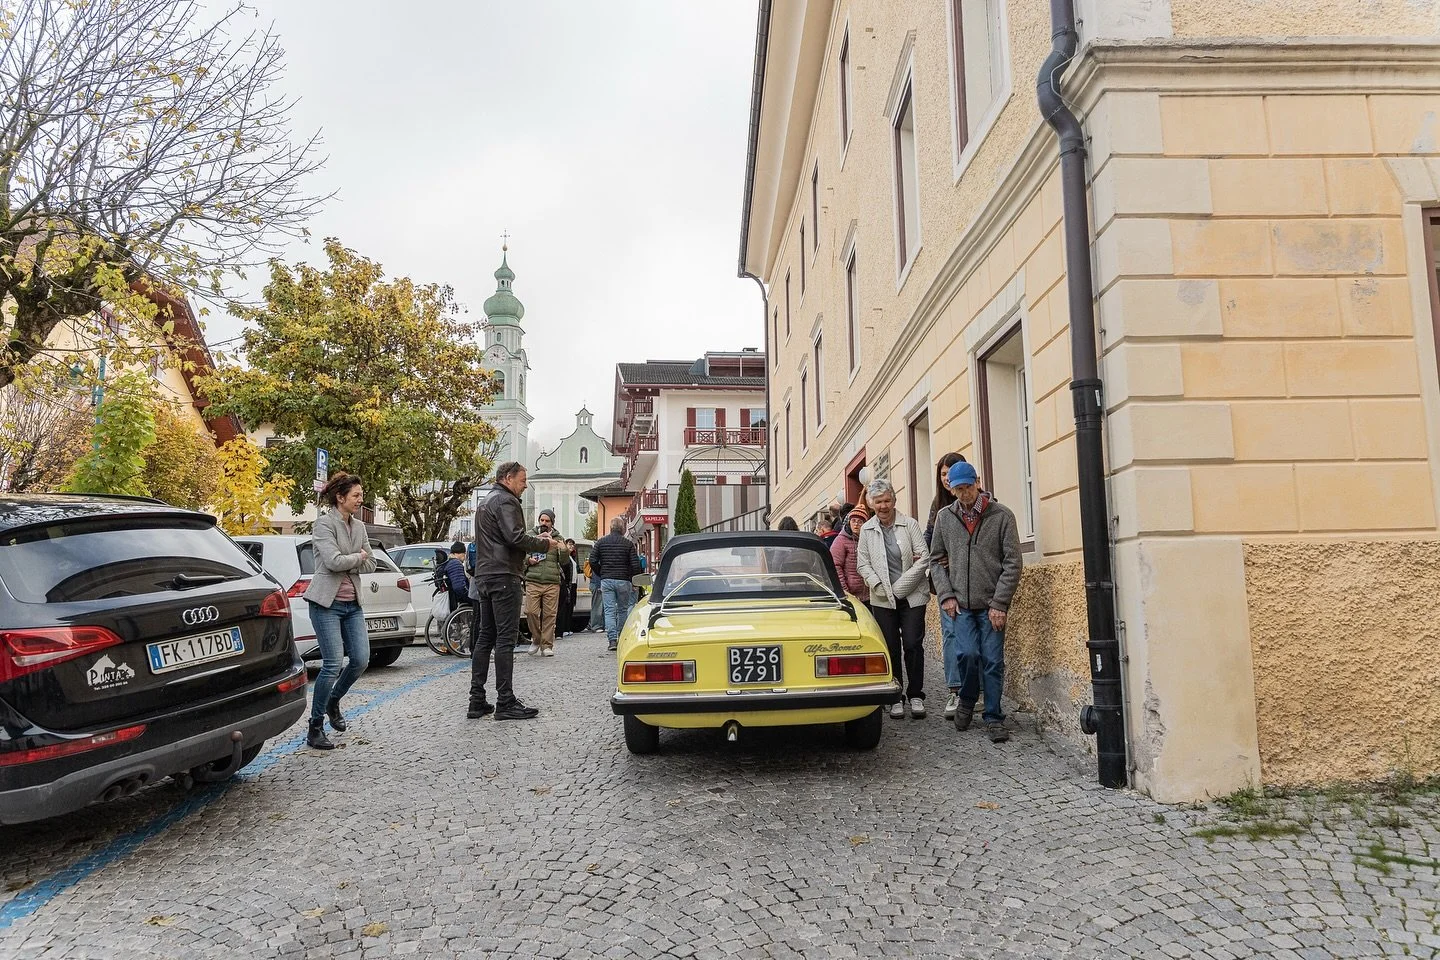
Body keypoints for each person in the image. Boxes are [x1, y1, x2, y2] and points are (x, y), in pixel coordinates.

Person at [929, 460, 1023, 743]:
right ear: (952, 489)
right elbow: (935, 560)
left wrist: (1000, 603)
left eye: (968, 487)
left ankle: (994, 716)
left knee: (993, 661)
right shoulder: (945, 518)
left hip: (992, 604)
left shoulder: (1002, 516)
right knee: (967, 655)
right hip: (961, 605)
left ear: (977, 482)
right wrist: (945, 595)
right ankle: (968, 699)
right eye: (958, 489)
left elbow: (1013, 562)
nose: (964, 494)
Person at [468, 461, 555, 720]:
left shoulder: (485, 501)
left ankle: (477, 700)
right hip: (503, 576)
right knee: (505, 639)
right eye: (522, 480)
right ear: (507, 478)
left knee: (485, 638)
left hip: (484, 575)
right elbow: (514, 537)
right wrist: (544, 544)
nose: (525, 485)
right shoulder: (506, 501)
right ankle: (505, 702)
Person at [302, 472, 376, 750]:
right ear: (340, 497)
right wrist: (358, 557)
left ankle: (333, 700)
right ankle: (315, 726)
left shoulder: (359, 527)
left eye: (361, 494)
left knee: (360, 660)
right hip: (326, 604)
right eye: (356, 495)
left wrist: (355, 560)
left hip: (352, 603)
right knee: (333, 663)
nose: (360, 499)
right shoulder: (323, 524)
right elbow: (333, 562)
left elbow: (372, 564)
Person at [855, 479, 931, 720]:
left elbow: (924, 559)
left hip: (912, 596)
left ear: (894, 500)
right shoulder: (867, 530)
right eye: (878, 502)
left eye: (887, 500)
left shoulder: (909, 525)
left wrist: (898, 588)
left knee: (912, 644)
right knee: (890, 647)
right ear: (871, 504)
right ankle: (896, 696)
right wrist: (878, 585)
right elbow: (862, 564)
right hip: (881, 598)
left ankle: (916, 694)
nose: (883, 506)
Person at [927, 452, 968, 719]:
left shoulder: (980, 502)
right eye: (943, 474)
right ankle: (955, 690)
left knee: (974, 638)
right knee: (952, 635)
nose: (947, 479)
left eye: (951, 473)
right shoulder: (938, 509)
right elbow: (931, 544)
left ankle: (976, 690)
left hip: (974, 581)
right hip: (947, 583)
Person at [592, 517, 642, 651]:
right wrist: (634, 580)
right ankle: (622, 637)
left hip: (607, 580)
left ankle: (612, 640)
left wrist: (601, 573)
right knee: (622, 610)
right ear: (622, 528)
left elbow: (592, 560)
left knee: (609, 610)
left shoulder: (601, 542)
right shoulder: (628, 544)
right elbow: (635, 564)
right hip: (623, 580)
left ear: (610, 528)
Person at [524, 508, 568, 658]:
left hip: (552, 581)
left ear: (552, 523)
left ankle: (547, 645)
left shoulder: (558, 538)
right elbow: (520, 554)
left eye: (547, 521)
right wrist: (527, 561)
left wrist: (564, 550)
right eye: (542, 520)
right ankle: (536, 639)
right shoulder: (530, 535)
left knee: (550, 615)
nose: (544, 523)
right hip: (533, 579)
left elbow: (564, 562)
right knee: (531, 611)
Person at [829, 504, 870, 607]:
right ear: (849, 522)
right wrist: (845, 591)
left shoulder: (868, 539)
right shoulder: (841, 541)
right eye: (853, 521)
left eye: (860, 522)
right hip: (851, 596)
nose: (856, 524)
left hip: (870, 595)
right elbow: (835, 566)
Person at [558, 537, 578, 637]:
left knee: (570, 606)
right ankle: (564, 628)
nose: (571, 546)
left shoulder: (572, 558)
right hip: (567, 584)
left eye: (572, 545)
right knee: (565, 606)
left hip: (573, 584)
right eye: (569, 544)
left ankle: (568, 627)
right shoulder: (565, 559)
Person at [585, 552, 605, 633]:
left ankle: (593, 624)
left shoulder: (594, 555)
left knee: (598, 605)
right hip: (597, 584)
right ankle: (596, 626)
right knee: (598, 605)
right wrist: (599, 585)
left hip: (595, 583)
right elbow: (597, 573)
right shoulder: (598, 557)